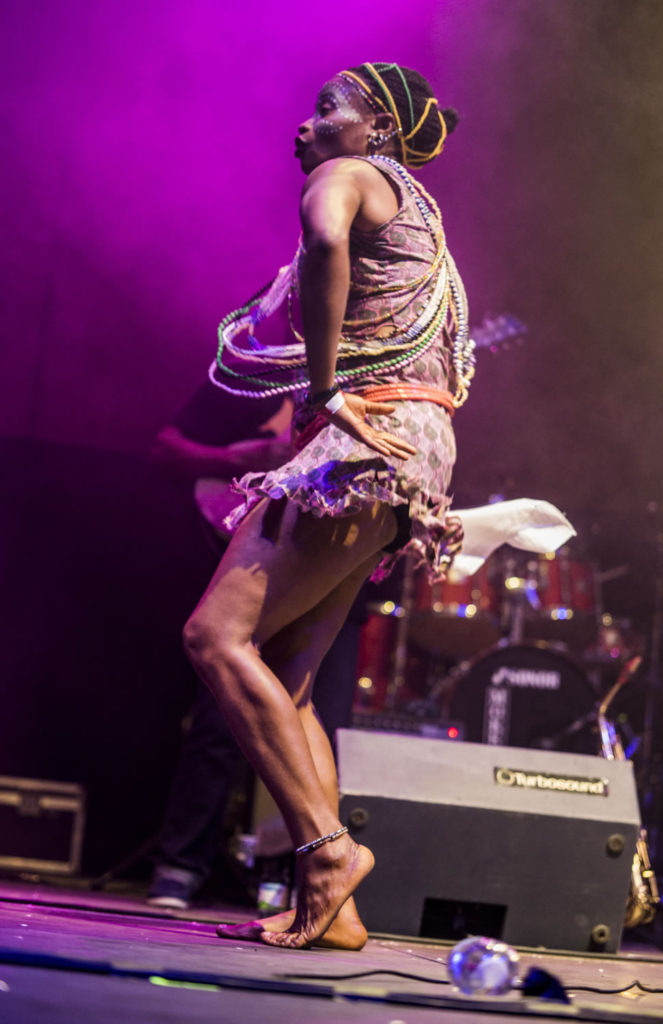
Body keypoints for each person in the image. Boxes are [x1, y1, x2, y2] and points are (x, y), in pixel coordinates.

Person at [182, 62, 471, 950]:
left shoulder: (346, 175)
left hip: (366, 435)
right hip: (414, 442)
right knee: (288, 672)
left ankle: (328, 853)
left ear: (376, 128)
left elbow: (322, 243)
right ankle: (334, 909)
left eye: (326, 110)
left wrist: (324, 387)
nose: (303, 127)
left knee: (215, 638)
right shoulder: (421, 209)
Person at [146, 384, 365, 909]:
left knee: (307, 707)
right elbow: (165, 448)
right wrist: (235, 459)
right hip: (268, 547)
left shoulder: (365, 374)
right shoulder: (254, 377)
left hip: (327, 536)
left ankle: (318, 872)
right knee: (228, 714)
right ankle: (187, 864)